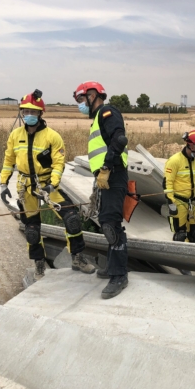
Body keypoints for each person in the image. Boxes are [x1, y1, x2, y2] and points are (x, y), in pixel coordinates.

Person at [0, 90, 95, 281]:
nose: (29, 116)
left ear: (40, 114)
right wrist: (3, 183)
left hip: (46, 185)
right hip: (25, 187)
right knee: (32, 230)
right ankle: (39, 264)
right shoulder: (15, 136)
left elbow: (59, 163)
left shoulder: (53, 137)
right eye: (26, 111)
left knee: (72, 218)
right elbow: (9, 160)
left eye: (33, 112)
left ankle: (77, 258)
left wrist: (52, 184)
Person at [73, 81, 129, 299]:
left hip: (113, 174)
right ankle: (114, 267)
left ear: (92, 95)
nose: (80, 105)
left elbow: (119, 139)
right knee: (108, 221)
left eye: (81, 100)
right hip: (106, 177)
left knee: (110, 225)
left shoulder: (107, 112)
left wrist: (106, 166)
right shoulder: (98, 118)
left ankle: (119, 275)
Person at [163, 130, 195, 249]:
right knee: (180, 234)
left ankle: (190, 259)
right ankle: (178, 261)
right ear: (192, 145)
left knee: (194, 233)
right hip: (179, 202)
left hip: (193, 203)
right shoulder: (175, 161)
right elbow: (168, 183)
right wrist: (171, 203)